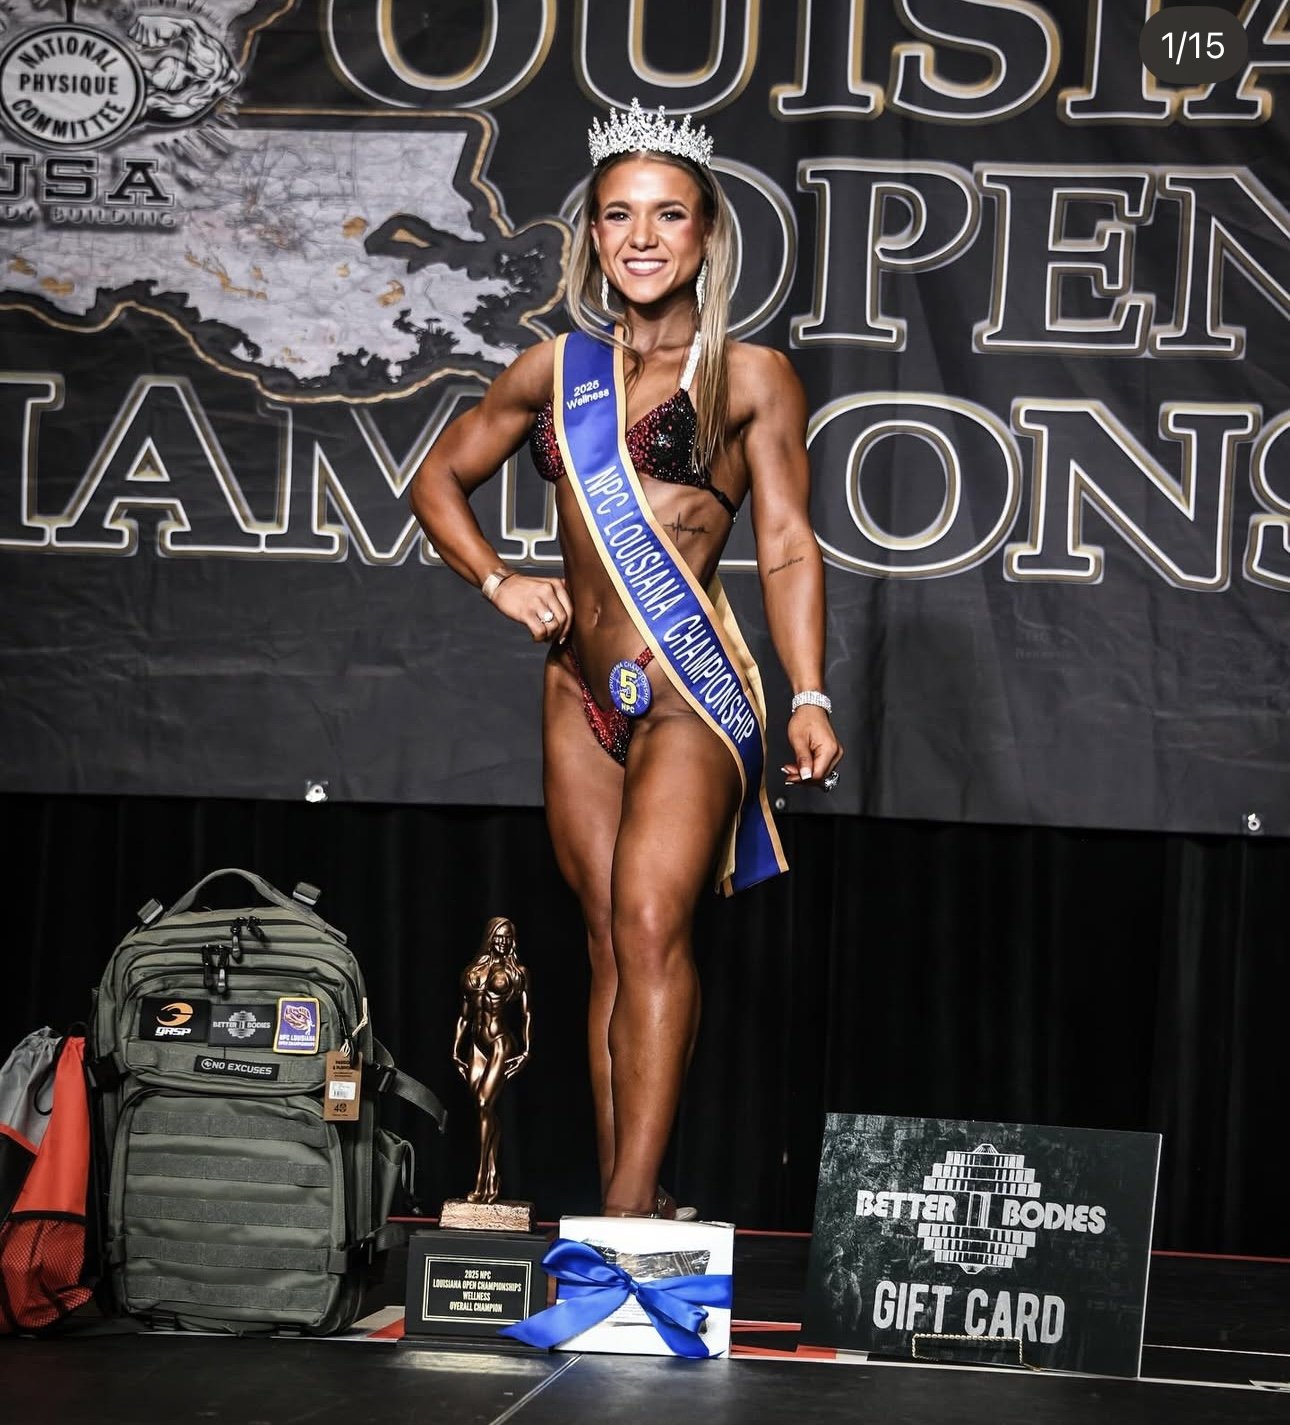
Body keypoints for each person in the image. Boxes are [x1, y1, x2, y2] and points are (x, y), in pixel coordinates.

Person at [411, 99, 842, 1219]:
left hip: (687, 691)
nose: (642, 237)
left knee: (652, 923)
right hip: (577, 692)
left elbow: (787, 543)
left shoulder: (752, 376)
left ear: (708, 231)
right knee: (607, 941)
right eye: (618, 215)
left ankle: (619, 1225)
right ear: (593, 234)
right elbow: (434, 480)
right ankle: (634, 1206)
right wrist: (500, 580)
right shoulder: (554, 368)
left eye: (668, 214)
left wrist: (808, 691)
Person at [452, 916, 531, 1204]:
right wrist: (455, 1050)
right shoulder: (473, 971)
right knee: (483, 1110)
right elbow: (464, 1016)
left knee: (486, 1104)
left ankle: (481, 1179)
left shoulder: (517, 972)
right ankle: (493, 1175)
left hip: (500, 1042)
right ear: (490, 936)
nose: (503, 941)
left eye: (508, 937)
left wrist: (526, 1052)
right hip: (476, 1045)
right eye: (499, 935)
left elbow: (526, 1014)